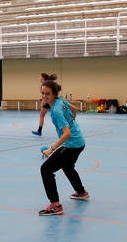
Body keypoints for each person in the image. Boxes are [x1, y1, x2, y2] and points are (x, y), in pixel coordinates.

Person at [38, 79, 89, 216]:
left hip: (72, 144)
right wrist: (72, 121)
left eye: (47, 94)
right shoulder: (61, 101)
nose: (44, 96)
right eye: (42, 93)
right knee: (67, 166)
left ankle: (55, 205)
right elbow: (75, 109)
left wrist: (51, 148)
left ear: (54, 94)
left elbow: (67, 134)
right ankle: (81, 192)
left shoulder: (56, 111)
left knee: (46, 169)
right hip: (79, 142)